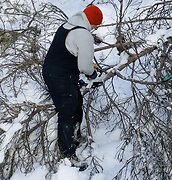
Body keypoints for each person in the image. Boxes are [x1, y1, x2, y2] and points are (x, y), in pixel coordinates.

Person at [42, 5, 103, 163]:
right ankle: (68, 154)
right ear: (93, 22)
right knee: (67, 111)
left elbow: (72, 54)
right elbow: (84, 66)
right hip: (59, 76)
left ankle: (75, 136)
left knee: (77, 103)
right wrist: (92, 75)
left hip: (57, 72)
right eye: (97, 25)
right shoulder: (83, 34)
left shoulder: (68, 25)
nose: (96, 28)